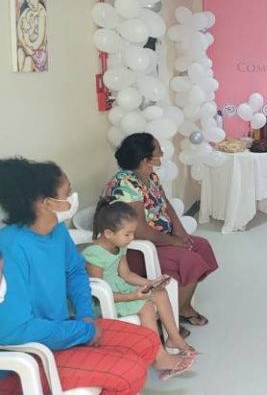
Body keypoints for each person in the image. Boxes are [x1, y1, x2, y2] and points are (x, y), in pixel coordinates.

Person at [0, 157, 159, 395]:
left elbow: (75, 271)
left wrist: (86, 316)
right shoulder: (10, 248)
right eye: (68, 193)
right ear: (47, 204)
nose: (73, 197)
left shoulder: (56, 229)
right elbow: (16, 330)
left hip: (62, 330)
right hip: (28, 358)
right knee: (131, 371)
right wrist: (83, 332)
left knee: (147, 342)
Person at [104, 133, 218, 328]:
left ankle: (179, 306)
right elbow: (140, 231)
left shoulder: (150, 176)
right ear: (145, 159)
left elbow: (165, 204)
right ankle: (172, 317)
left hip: (160, 238)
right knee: (189, 260)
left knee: (201, 246)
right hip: (135, 248)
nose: (162, 153)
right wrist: (174, 242)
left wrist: (180, 232)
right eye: (158, 151)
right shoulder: (125, 185)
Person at [83, 200, 197, 380]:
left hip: (121, 288)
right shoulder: (94, 255)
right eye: (127, 234)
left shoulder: (118, 245)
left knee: (160, 293)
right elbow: (99, 292)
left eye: (132, 233)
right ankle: (159, 358)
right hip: (105, 299)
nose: (131, 238)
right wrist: (132, 296)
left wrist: (150, 282)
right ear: (108, 233)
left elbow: (126, 274)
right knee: (145, 306)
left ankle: (173, 337)